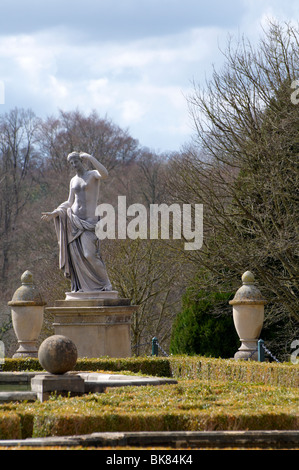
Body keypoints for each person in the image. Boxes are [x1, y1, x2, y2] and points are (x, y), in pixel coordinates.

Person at [41, 151, 112, 293]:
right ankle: (82, 286)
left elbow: (105, 174)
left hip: (89, 222)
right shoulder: (73, 180)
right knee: (77, 258)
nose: (74, 165)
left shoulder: (92, 175)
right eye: (71, 163)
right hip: (73, 221)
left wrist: (91, 157)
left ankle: (106, 283)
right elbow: (70, 201)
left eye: (76, 162)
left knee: (89, 255)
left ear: (82, 161)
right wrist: (55, 212)